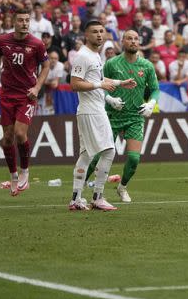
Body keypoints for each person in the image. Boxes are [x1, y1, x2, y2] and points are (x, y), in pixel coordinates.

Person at [83, 30, 160, 203]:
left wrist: (151, 104)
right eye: (129, 38)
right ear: (122, 42)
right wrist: (109, 99)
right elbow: (100, 85)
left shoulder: (147, 65)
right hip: (112, 116)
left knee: (133, 158)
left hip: (135, 116)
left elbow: (155, 89)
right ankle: (79, 190)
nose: (133, 41)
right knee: (96, 157)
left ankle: (122, 187)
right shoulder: (111, 63)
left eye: (136, 38)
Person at [68, 21, 137, 211]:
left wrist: (120, 82)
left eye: (101, 31)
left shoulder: (94, 55)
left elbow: (97, 79)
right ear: (86, 35)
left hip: (92, 109)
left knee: (86, 155)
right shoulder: (83, 56)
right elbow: (74, 84)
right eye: (94, 32)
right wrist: (100, 86)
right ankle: (98, 196)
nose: (99, 35)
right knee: (109, 151)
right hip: (92, 110)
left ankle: (76, 198)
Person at [0, 9, 50, 196]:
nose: (24, 23)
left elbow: (46, 66)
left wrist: (37, 88)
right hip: (6, 94)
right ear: (13, 22)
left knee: (20, 133)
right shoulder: (3, 41)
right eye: (21, 20)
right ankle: (13, 176)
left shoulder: (37, 44)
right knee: (7, 138)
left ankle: (25, 172)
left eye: (27, 20)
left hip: (26, 95)